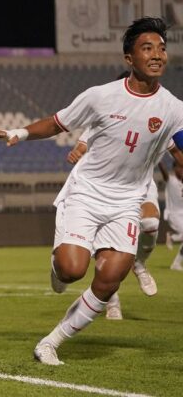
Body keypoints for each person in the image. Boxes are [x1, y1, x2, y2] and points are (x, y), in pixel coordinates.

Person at [0, 17, 183, 365]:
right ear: (129, 59)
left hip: (127, 202)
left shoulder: (174, 109)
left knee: (109, 279)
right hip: (87, 193)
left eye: (162, 49)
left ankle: (50, 342)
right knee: (71, 270)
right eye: (147, 48)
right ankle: (58, 265)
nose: (157, 55)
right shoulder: (101, 96)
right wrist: (19, 132)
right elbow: (57, 122)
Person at [60, 129, 164, 320]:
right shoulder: (106, 112)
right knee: (104, 247)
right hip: (106, 186)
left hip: (141, 182)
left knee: (150, 223)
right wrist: (77, 151)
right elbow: (83, 144)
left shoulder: (160, 113)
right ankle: (112, 302)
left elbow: (176, 150)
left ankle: (139, 264)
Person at [159, 160, 183, 270]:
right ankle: (172, 237)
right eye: (179, 167)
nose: (181, 170)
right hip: (173, 214)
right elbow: (164, 173)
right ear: (174, 169)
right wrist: (159, 161)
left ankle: (176, 264)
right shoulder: (170, 179)